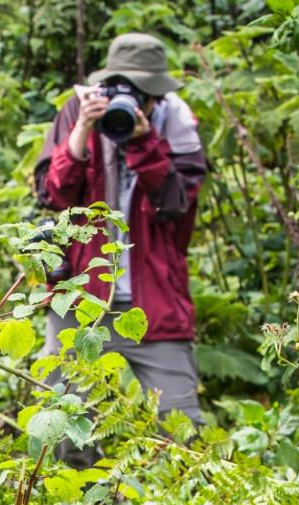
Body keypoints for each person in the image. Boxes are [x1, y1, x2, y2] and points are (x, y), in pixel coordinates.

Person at [35, 32, 207, 423]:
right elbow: (54, 195)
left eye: (143, 92)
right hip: (81, 297)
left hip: (157, 297)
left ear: (156, 95)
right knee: (63, 425)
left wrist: (145, 140)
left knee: (182, 427)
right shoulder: (77, 111)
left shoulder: (176, 121)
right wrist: (81, 131)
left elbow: (176, 206)